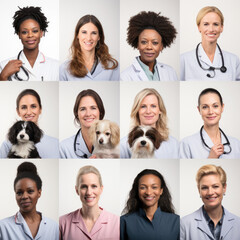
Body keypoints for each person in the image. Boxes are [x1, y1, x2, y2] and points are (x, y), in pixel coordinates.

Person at [0, 162, 59, 239]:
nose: (24, 196)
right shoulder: (3, 227)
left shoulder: (53, 227)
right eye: (19, 192)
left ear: (39, 192)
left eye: (30, 191)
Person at [59, 165, 119, 240]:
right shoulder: (62, 223)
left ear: (101, 189)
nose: (89, 192)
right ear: (77, 190)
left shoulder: (117, 222)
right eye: (84, 186)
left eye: (94, 186)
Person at [181, 164, 240, 239]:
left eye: (215, 186)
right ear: (199, 190)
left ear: (224, 188)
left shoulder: (238, 223)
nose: (210, 192)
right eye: (204, 188)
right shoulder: (184, 224)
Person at [181, 6, 240, 81]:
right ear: (199, 27)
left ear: (221, 27)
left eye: (215, 24)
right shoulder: (184, 60)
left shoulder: (234, 60)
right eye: (206, 24)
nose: (211, 29)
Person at [0, 6, 58, 81]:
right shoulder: (3, 65)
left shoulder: (55, 66)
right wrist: (3, 76)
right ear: (19, 35)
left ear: (41, 33)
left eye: (35, 31)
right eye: (24, 32)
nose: (30, 35)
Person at [180, 88, 240, 159]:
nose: (211, 112)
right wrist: (211, 158)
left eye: (215, 106)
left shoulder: (236, 144)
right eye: (205, 107)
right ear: (199, 110)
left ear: (222, 107)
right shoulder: (187, 144)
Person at [120, 169, 179, 240]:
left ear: (161, 191)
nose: (148, 192)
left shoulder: (176, 221)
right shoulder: (124, 221)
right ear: (137, 190)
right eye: (143, 187)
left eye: (154, 187)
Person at [120, 88, 179, 158]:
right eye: (143, 106)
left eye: (153, 106)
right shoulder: (123, 144)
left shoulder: (173, 144)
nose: (148, 111)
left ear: (160, 110)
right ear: (137, 110)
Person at [0, 89, 59, 158]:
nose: (29, 112)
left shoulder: (56, 144)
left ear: (40, 109)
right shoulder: (6, 145)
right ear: (18, 111)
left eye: (33, 106)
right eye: (24, 107)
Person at [121, 11, 178, 81]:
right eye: (144, 42)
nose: (149, 47)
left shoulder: (170, 72)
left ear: (161, 46)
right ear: (137, 44)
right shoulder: (125, 76)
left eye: (155, 43)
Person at [60, 14, 119, 81]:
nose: (88, 38)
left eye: (93, 33)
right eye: (84, 32)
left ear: (99, 37)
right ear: (77, 35)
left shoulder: (112, 66)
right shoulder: (65, 69)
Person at [60, 89, 105, 158]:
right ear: (77, 114)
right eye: (83, 109)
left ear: (100, 112)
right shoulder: (64, 148)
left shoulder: (114, 145)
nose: (88, 114)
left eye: (93, 108)